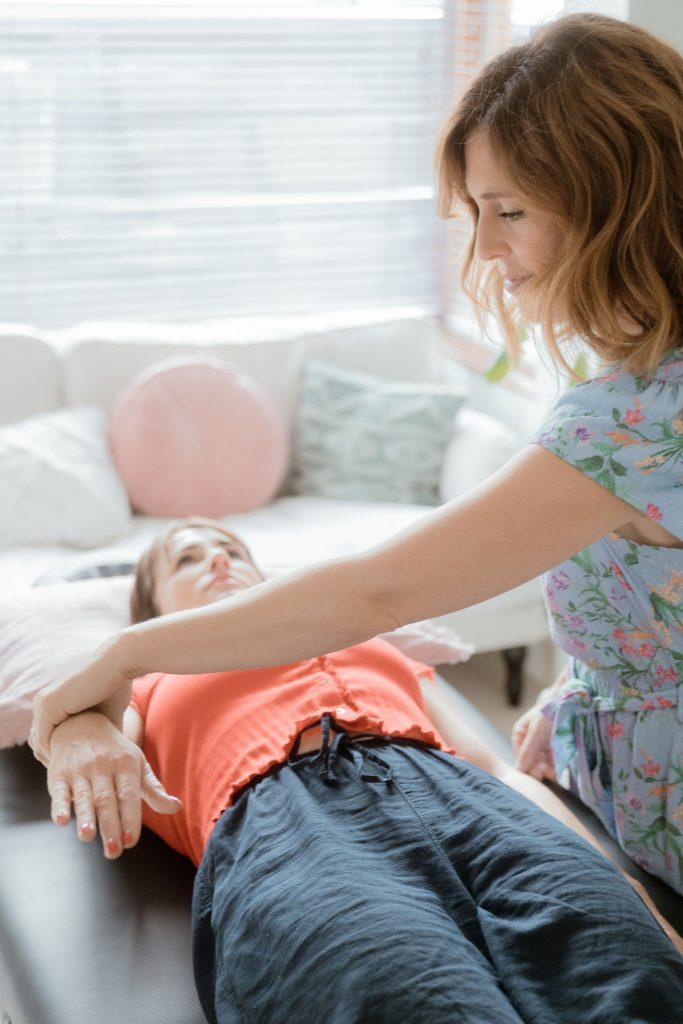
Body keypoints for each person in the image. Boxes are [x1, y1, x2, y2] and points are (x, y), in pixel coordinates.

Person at [32, 12, 683, 897]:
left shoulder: (633, 415)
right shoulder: (636, 373)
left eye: (510, 211)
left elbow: (374, 590)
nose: (486, 250)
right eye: (476, 213)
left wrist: (124, 654)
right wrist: (582, 697)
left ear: (609, 194)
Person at [45, 518, 683, 1024]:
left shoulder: (367, 640)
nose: (219, 560)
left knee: (624, 965)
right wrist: (75, 727)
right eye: (187, 560)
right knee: (409, 995)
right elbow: (93, 737)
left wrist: (619, 884)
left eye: (231, 549)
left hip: (463, 796)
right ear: (150, 614)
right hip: (286, 827)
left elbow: (495, 767)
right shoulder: (147, 681)